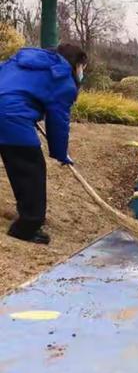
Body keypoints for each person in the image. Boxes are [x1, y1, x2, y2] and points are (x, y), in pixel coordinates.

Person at [0, 44, 87, 244]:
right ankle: (27, 227)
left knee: (20, 163)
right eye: (83, 68)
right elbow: (58, 122)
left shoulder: (20, 60)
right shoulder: (63, 79)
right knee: (31, 169)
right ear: (77, 65)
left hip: (9, 111)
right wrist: (60, 153)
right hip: (12, 116)